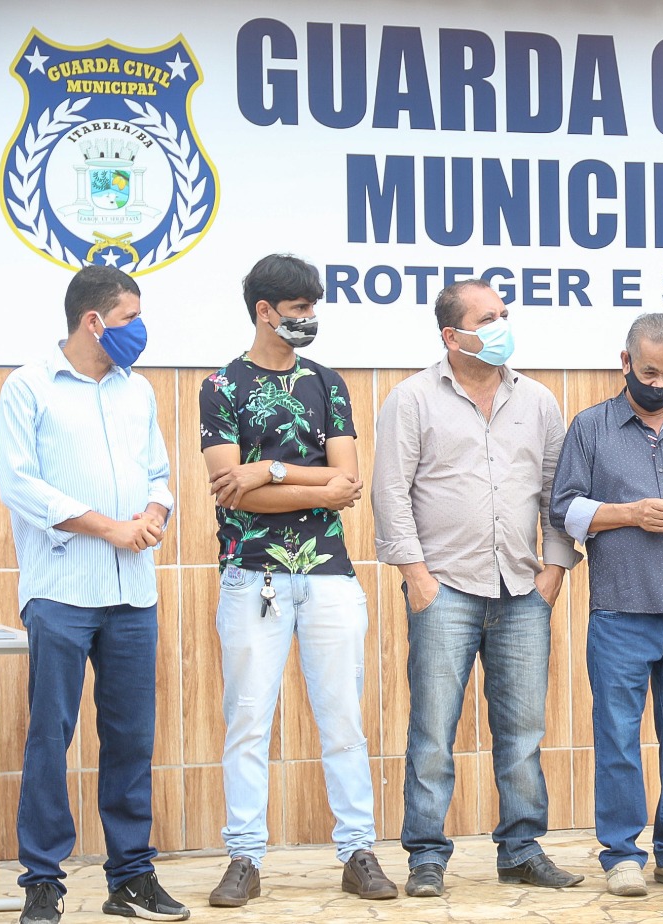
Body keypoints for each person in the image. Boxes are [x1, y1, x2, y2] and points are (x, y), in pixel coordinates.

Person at [198, 254, 397, 907]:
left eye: (313, 308)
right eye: (300, 309)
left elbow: (348, 483)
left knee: (343, 718)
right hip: (251, 576)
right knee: (248, 720)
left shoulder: (326, 383)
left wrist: (270, 472)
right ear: (265, 311)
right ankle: (244, 858)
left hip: (330, 575)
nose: (310, 319)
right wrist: (269, 483)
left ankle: (358, 852)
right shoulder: (222, 387)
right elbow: (232, 495)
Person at [372, 279, 582, 897]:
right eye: (488, 318)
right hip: (445, 589)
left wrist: (554, 571)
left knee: (522, 732)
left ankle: (520, 848)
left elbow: (556, 492)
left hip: (523, 589)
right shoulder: (411, 399)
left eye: (504, 315)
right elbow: (390, 493)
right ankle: (427, 856)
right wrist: (416, 577)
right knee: (433, 732)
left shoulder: (539, 401)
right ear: (451, 334)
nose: (501, 325)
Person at [0, 266, 189, 924]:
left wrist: (155, 515)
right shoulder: (28, 388)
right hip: (60, 593)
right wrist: (110, 527)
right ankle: (43, 882)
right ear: (93, 321)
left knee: (132, 740)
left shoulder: (137, 393)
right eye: (131, 317)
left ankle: (130, 879)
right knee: (50, 736)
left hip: (133, 595)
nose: (141, 328)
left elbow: (161, 473)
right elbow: (21, 487)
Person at [549, 313, 663, 897]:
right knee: (618, 739)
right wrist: (628, 513)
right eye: (650, 371)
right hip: (621, 609)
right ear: (625, 363)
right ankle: (621, 855)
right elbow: (563, 509)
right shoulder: (590, 428)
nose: (660, 382)